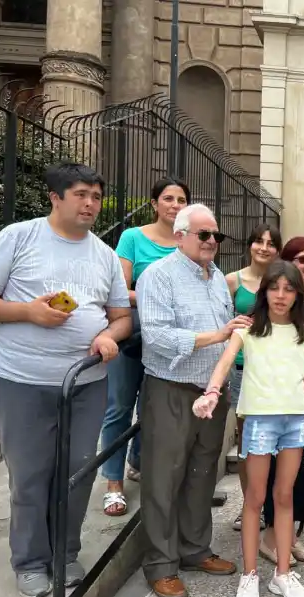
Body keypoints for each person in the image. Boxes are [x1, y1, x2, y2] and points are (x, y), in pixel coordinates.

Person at [0, 162, 132, 597]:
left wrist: (109, 335)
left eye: (96, 196)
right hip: (21, 381)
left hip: (86, 385)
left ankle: (65, 553)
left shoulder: (104, 255)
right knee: (31, 474)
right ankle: (31, 560)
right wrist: (28, 312)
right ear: (55, 197)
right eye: (81, 194)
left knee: (77, 471)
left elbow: (122, 317)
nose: (91, 204)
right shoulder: (19, 237)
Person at [136, 203, 250, 597]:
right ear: (180, 235)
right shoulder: (158, 275)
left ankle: (194, 549)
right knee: (163, 479)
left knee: (203, 474)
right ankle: (161, 564)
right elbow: (157, 337)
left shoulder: (217, 277)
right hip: (171, 388)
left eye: (216, 235)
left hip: (211, 392)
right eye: (204, 234)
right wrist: (216, 336)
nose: (212, 242)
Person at [194, 261, 304, 597]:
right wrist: (212, 391)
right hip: (259, 420)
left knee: (284, 497)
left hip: (294, 421)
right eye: (274, 287)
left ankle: (282, 573)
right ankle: (249, 575)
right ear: (264, 291)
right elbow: (225, 361)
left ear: (298, 294)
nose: (281, 295)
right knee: (255, 497)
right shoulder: (248, 329)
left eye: (289, 289)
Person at [100, 177, 188, 517]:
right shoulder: (133, 238)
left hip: (169, 338)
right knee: (119, 407)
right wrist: (160, 301)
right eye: (168, 198)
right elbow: (120, 290)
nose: (175, 205)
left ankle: (137, 461)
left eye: (181, 199)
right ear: (154, 203)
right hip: (133, 333)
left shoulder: (187, 242)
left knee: (153, 406)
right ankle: (113, 483)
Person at [253, 237, 304, 566]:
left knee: (303, 471)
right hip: (274, 399)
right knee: (277, 474)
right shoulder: (278, 301)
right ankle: (270, 536)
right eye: (302, 259)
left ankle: (291, 535)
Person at [226, 224, 282, 533]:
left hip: (274, 369)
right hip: (242, 368)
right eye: (259, 241)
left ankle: (272, 504)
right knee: (247, 440)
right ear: (250, 245)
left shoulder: (281, 282)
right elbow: (220, 322)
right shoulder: (233, 281)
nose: (264, 247)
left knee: (275, 440)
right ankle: (251, 504)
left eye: (271, 243)